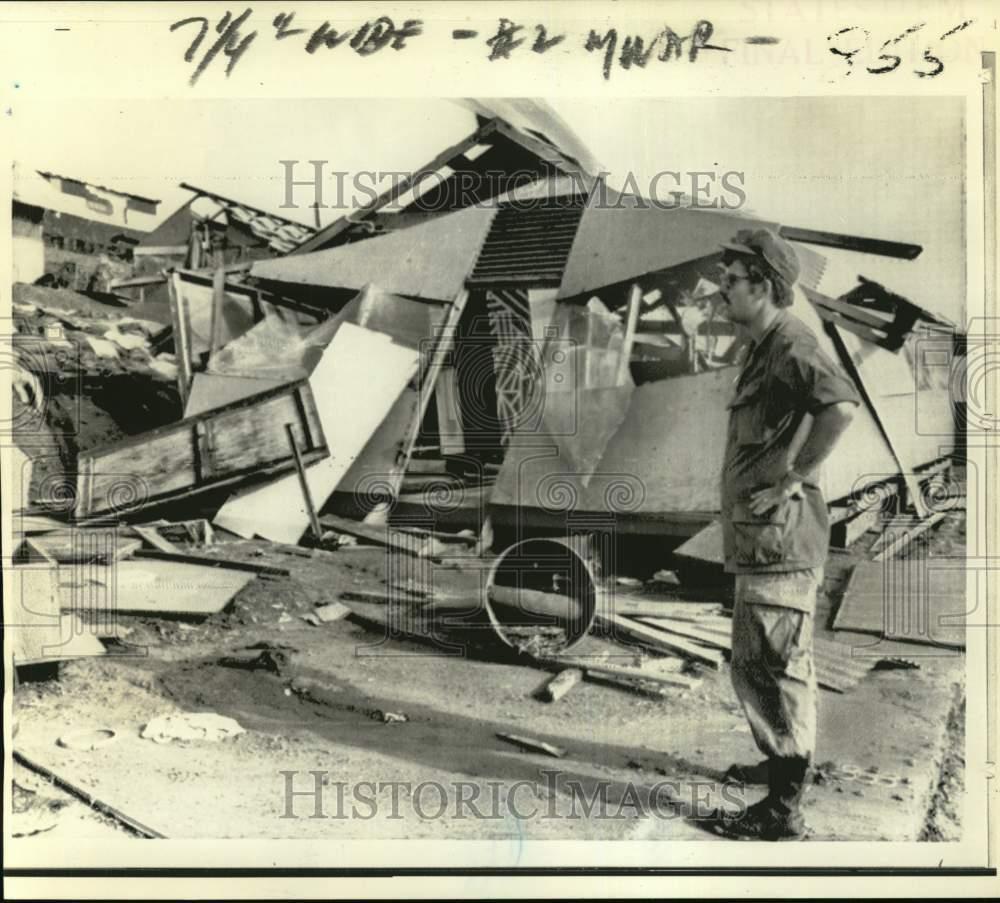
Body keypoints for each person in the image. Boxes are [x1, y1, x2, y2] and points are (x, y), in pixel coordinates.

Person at [707, 228, 860, 841]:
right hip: (760, 541)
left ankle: (783, 809)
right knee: (756, 663)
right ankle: (780, 764)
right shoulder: (764, 345)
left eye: (732, 279)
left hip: (781, 541)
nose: (722, 288)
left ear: (765, 286)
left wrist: (795, 477)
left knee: (778, 666)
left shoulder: (793, 343)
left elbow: (840, 407)